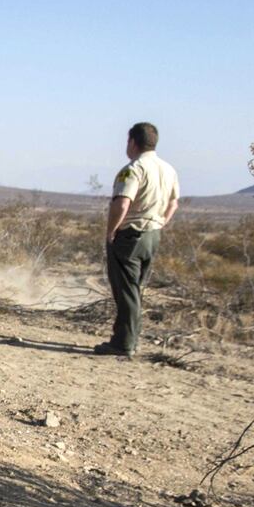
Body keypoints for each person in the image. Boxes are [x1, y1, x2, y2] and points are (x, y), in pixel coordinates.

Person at [96, 122, 179, 357]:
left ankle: (123, 343)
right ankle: (130, 338)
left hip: (131, 233)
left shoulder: (134, 169)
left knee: (126, 290)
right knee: (136, 289)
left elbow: (122, 202)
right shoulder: (168, 169)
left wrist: (111, 230)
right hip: (153, 235)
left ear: (132, 142)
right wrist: (162, 221)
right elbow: (174, 202)